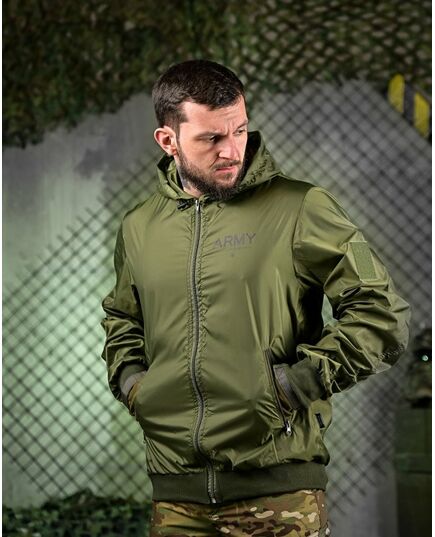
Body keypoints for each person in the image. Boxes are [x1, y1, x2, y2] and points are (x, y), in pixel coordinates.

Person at [101, 59, 410, 536]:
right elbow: (123, 319)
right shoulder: (139, 227)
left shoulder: (300, 207)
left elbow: (381, 314)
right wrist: (134, 386)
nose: (231, 150)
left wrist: (291, 388)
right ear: (168, 140)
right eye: (211, 138)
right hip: (176, 501)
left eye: (240, 131)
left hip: (279, 497)